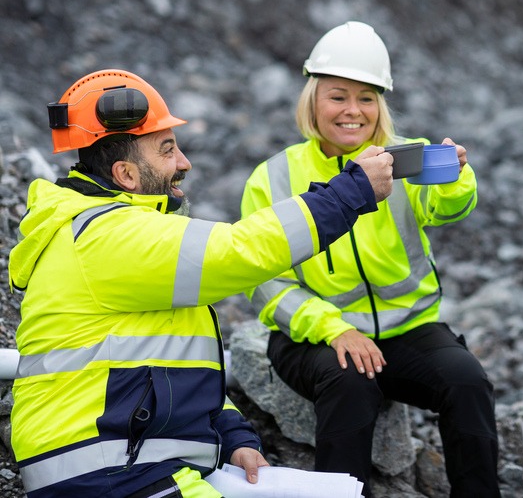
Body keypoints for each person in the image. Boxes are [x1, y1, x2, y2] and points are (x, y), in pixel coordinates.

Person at [9, 68, 394, 497]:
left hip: (128, 461)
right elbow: (239, 250)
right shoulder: (109, 236)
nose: (184, 163)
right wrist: (348, 193)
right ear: (127, 175)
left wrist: (231, 435)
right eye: (167, 149)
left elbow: (167, 366)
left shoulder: (117, 239)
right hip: (105, 473)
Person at [240, 21, 500, 497]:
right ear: (313, 100)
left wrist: (456, 176)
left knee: (468, 383)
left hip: (407, 332)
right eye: (337, 96)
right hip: (312, 337)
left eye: (366, 98)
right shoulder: (274, 177)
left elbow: (448, 210)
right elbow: (264, 282)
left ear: (380, 105)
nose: (352, 111)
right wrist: (335, 328)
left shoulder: (405, 160)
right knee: (352, 380)